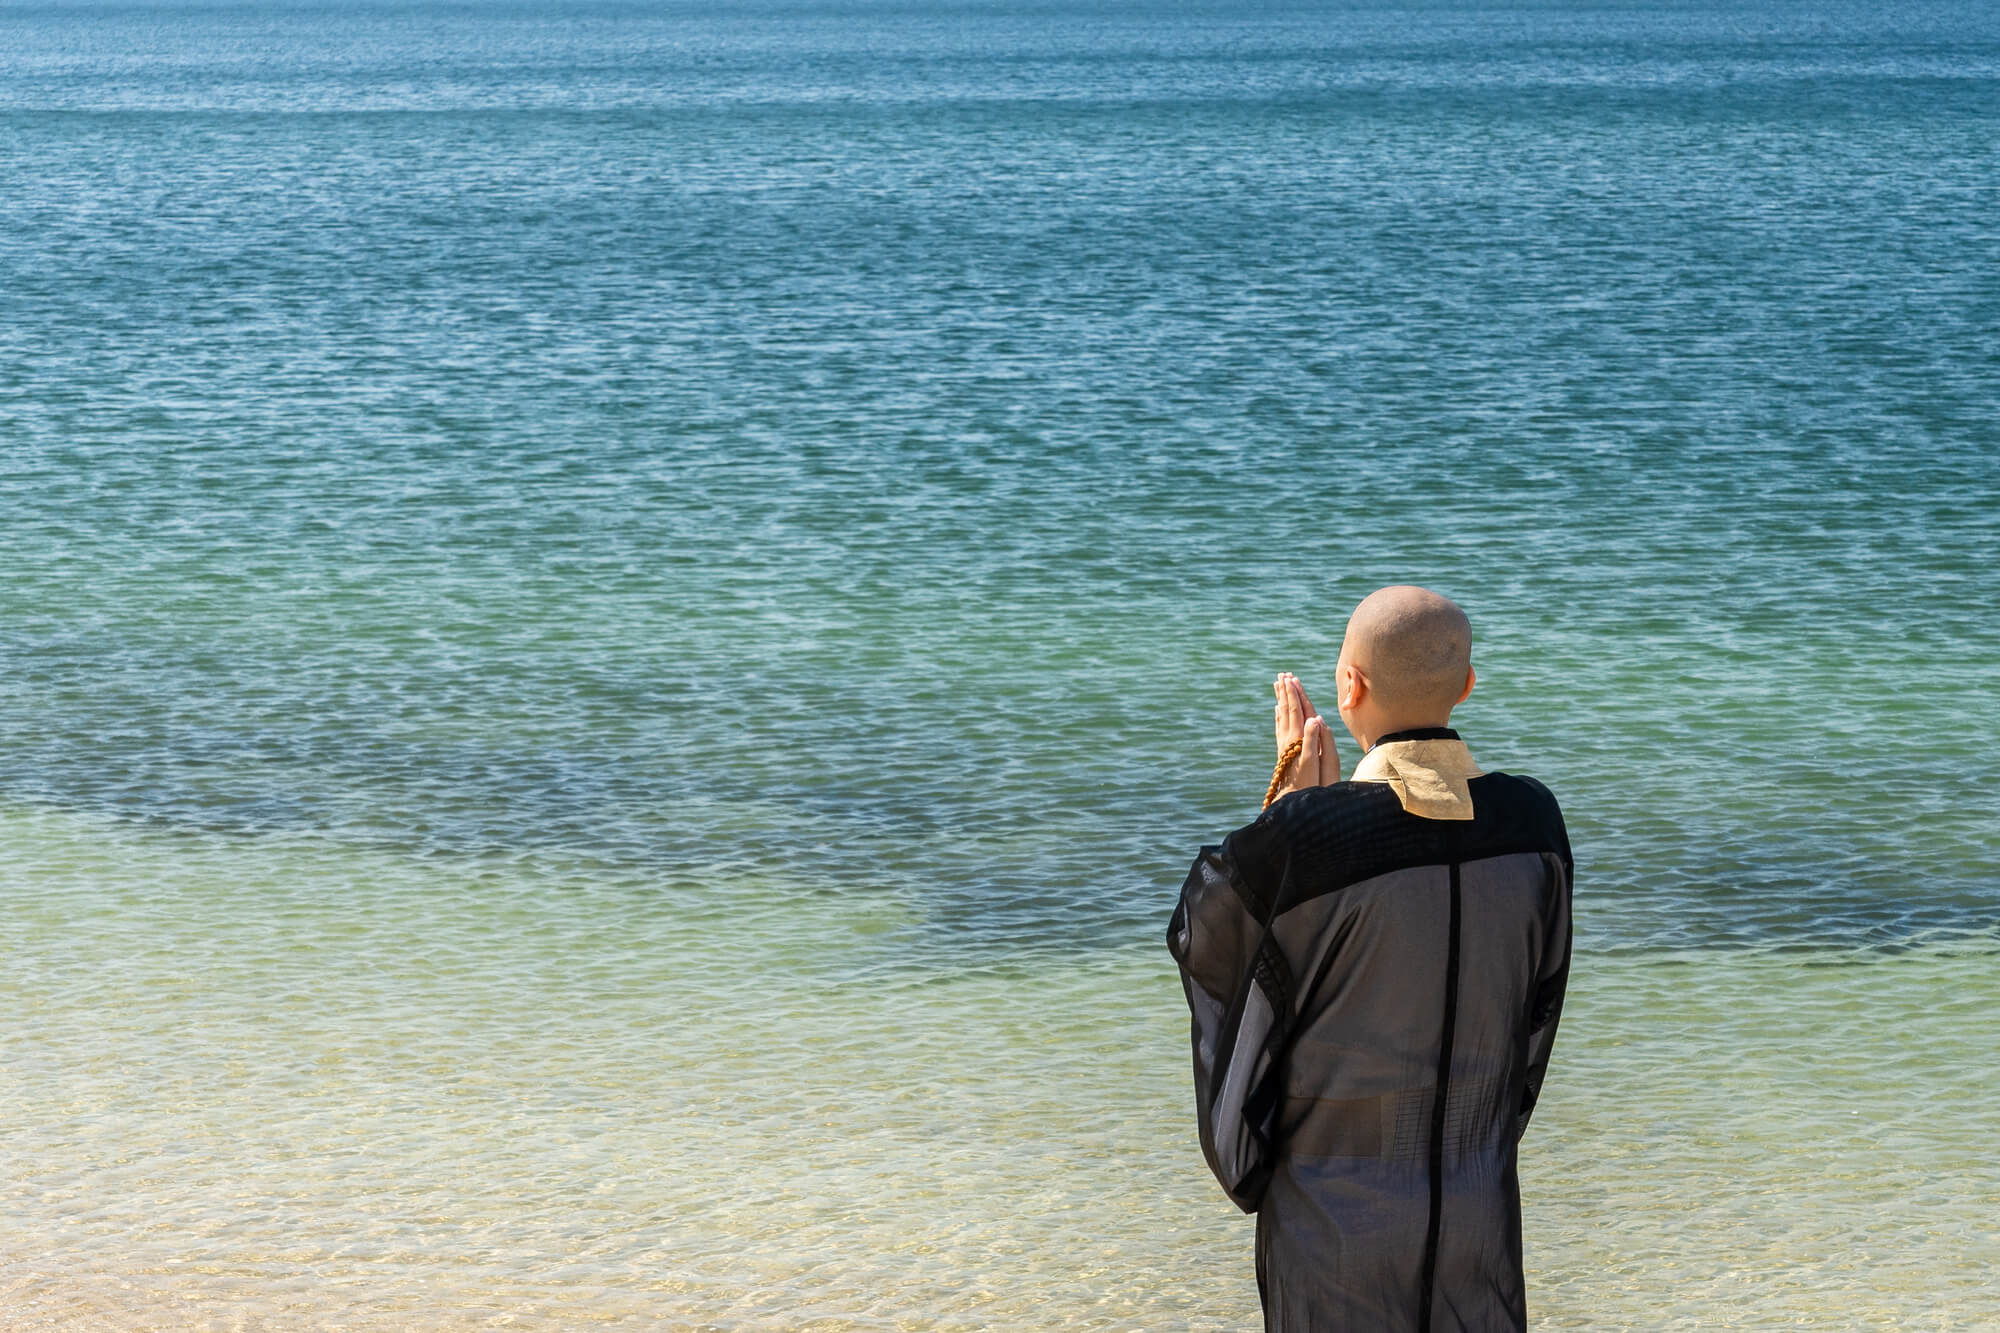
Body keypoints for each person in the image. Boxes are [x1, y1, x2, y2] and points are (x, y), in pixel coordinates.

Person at [1166, 586, 1573, 1332]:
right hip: (1474, 1218)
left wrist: (1286, 814)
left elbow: (1207, 930)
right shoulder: (1534, 824)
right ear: (1467, 687)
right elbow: (1536, 1017)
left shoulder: (1308, 845)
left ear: (1348, 686)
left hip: (1333, 1237)